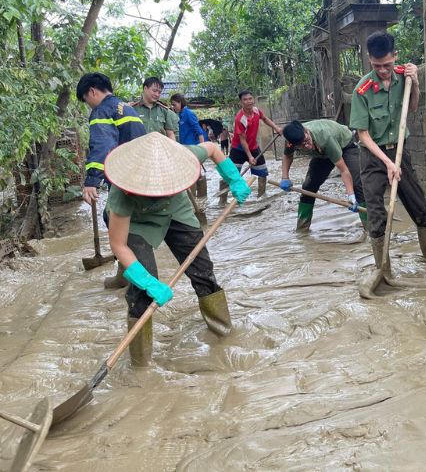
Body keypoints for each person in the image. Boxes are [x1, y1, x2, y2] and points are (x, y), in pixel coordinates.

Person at [104, 132, 252, 367]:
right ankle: (141, 364)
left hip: (175, 211)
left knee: (203, 272)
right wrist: (147, 281)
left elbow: (213, 148)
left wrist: (234, 178)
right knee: (142, 292)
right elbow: (118, 244)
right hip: (137, 222)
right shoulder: (122, 191)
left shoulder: (182, 155)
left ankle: (223, 334)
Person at [349, 31, 426, 277]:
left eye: (387, 64)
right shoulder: (362, 90)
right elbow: (363, 135)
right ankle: (383, 270)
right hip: (373, 156)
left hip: (400, 151)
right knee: (376, 212)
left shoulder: (403, 77)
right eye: (377, 66)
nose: (383, 70)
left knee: (418, 204)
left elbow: (413, 106)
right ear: (369, 60)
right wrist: (387, 163)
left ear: (395, 56)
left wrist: (415, 82)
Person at [76, 72, 147, 289]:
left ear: (92, 91)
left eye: (86, 101)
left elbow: (102, 145)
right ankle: (126, 271)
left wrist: (91, 181)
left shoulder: (101, 111)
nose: (89, 106)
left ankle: (130, 274)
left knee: (114, 217)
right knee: (130, 220)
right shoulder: (127, 108)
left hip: (124, 175)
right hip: (142, 174)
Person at [280, 119, 364, 231]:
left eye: (306, 140)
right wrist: (285, 177)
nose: (307, 146)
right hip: (322, 153)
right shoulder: (291, 141)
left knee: (357, 186)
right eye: (301, 145)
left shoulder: (325, 137)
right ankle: (302, 230)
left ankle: (371, 230)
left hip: (345, 145)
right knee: (308, 189)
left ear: (306, 131)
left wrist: (351, 196)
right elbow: (287, 156)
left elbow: (343, 170)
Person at [229, 90, 281, 197]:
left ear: (253, 100)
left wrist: (276, 128)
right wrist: (250, 157)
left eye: (250, 99)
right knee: (231, 175)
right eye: (245, 100)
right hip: (238, 149)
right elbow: (243, 140)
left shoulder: (256, 111)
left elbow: (265, 119)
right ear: (241, 102)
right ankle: (223, 200)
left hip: (253, 147)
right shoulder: (240, 119)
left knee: (262, 173)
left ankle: (261, 197)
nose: (248, 102)